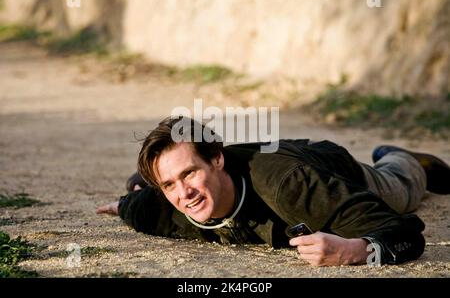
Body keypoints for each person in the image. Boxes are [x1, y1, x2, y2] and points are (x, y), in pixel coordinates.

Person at [96, 116, 450, 266]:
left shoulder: (293, 188)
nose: (183, 194)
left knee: (401, 188)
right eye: (169, 183)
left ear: (216, 159)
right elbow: (137, 205)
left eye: (189, 173)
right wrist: (124, 203)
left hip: (324, 167)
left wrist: (355, 250)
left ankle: (403, 158)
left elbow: (406, 235)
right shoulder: (162, 207)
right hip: (270, 155)